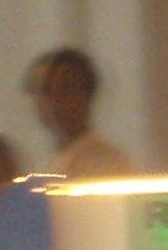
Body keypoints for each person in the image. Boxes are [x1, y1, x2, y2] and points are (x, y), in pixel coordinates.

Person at [23, 46, 132, 178]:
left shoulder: (101, 161)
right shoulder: (54, 159)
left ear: (88, 96)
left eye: (65, 91)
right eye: (47, 92)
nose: (54, 102)